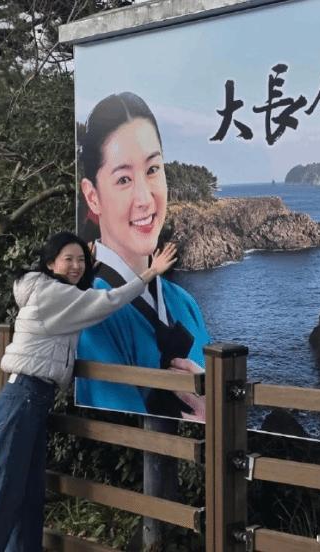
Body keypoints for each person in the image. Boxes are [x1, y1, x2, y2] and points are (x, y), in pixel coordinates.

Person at [0, 231, 177, 552]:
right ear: (51, 263)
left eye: (81, 260)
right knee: (4, 493)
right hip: (24, 397)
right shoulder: (53, 295)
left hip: (30, 398)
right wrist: (150, 272)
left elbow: (81, 301)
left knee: (28, 494)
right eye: (68, 259)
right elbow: (106, 301)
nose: (76, 266)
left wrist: (91, 268)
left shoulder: (49, 291)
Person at [76, 91, 209, 420]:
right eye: (123, 179)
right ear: (92, 197)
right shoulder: (91, 313)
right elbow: (119, 435)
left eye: (152, 169)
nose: (145, 199)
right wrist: (211, 418)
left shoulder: (185, 304)